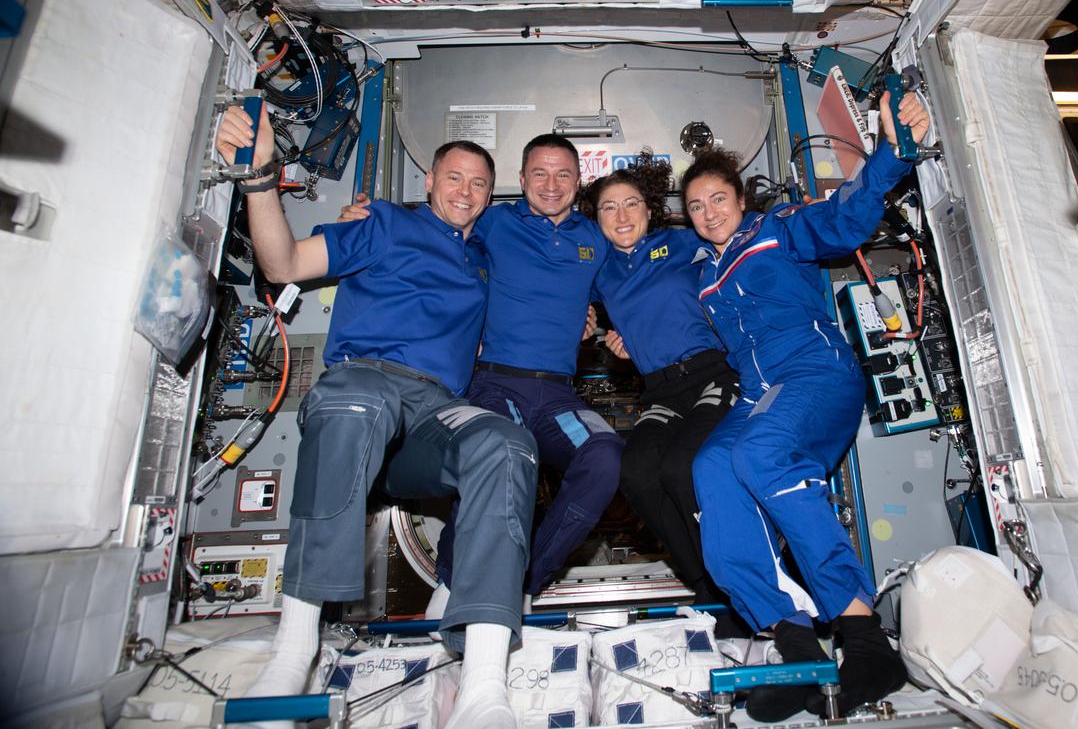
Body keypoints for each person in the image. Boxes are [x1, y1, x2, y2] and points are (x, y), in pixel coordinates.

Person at [216, 106, 537, 729]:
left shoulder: (484, 263)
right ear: (428, 183)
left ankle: (483, 687)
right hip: (364, 381)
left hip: (433, 412)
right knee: (358, 402)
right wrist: (259, 181)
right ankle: (293, 652)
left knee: (507, 442)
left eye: (478, 183)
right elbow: (283, 265)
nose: (465, 192)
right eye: (454, 178)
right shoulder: (383, 223)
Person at [680, 91, 930, 720]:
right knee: (712, 469)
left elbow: (844, 218)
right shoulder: (703, 275)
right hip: (759, 393)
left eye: (718, 199)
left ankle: (864, 639)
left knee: (763, 452)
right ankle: (793, 643)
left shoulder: (780, 230)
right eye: (695, 207)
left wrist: (894, 151)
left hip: (816, 376)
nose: (709, 213)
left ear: (740, 199)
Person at [344, 134, 623, 603]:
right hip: (497, 386)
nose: (551, 184)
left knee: (605, 456)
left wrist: (603, 325)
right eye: (539, 173)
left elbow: (627, 286)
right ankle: (451, 588)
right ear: (521, 180)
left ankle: (525, 582)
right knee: (494, 459)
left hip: (558, 397)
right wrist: (365, 222)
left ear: (579, 182)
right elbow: (434, 229)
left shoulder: (595, 239)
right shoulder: (493, 222)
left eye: (563, 174)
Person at [578, 159, 744, 635]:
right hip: (660, 388)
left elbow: (735, 233)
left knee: (681, 469)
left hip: (712, 370)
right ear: (597, 218)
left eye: (632, 203)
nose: (623, 214)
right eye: (609, 207)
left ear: (650, 210)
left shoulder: (682, 241)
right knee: (636, 473)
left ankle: (734, 581)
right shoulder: (601, 272)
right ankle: (704, 586)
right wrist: (604, 331)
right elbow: (571, 304)